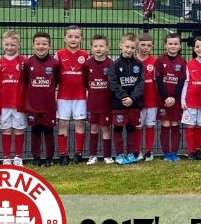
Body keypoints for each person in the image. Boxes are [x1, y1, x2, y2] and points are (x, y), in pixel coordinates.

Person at [22, 32, 61, 167]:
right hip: (32, 105)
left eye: (44, 44)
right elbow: (26, 81)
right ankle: (36, 157)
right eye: (38, 44)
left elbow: (56, 81)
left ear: (50, 46)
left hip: (48, 105)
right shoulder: (28, 63)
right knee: (35, 131)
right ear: (33, 45)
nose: (41, 47)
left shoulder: (55, 63)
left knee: (49, 131)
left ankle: (49, 157)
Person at [109, 33, 144, 165]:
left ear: (136, 49)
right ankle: (119, 155)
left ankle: (130, 153)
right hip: (119, 103)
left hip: (134, 103)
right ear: (120, 46)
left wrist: (132, 98)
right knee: (118, 128)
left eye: (132, 48)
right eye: (127, 47)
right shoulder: (115, 65)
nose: (129, 50)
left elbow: (141, 84)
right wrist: (124, 97)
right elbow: (113, 83)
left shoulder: (139, 65)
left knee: (131, 128)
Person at [0, 30, 26, 166]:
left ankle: (18, 157)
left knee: (18, 129)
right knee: (6, 130)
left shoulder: (24, 61)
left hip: (19, 103)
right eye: (6, 44)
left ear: (19, 44)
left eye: (13, 45)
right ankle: (6, 157)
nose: (9, 48)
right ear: (2, 44)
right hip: (3, 104)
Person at [56, 25, 87, 165]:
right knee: (62, 123)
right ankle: (63, 154)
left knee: (80, 123)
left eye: (76, 37)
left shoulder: (85, 55)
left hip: (80, 96)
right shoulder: (59, 54)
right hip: (63, 96)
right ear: (64, 38)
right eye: (70, 36)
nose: (73, 39)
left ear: (81, 38)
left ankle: (78, 153)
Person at [156, 33, 187, 162]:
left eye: (175, 44)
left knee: (175, 124)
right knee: (165, 124)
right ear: (165, 45)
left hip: (176, 99)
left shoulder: (182, 61)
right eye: (170, 44)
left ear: (180, 46)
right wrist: (166, 97)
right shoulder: (160, 60)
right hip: (163, 99)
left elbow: (181, 81)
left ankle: (174, 152)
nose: (173, 46)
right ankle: (166, 152)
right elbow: (158, 80)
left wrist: (174, 97)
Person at [84, 35, 114, 165]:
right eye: (95, 46)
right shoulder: (87, 64)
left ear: (107, 48)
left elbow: (113, 84)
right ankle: (92, 155)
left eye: (101, 46)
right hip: (93, 104)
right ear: (91, 48)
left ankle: (107, 156)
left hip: (106, 104)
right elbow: (85, 82)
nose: (98, 48)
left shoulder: (111, 64)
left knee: (106, 129)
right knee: (94, 128)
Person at [182, 37, 201, 160]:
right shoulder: (189, 64)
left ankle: (198, 149)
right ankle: (191, 151)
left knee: (200, 126)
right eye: (197, 47)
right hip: (190, 101)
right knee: (190, 125)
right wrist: (183, 100)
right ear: (194, 49)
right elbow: (185, 83)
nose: (200, 49)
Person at [135, 33, 158, 161]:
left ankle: (149, 151)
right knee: (138, 126)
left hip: (151, 100)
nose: (145, 47)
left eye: (148, 45)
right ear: (137, 45)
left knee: (150, 125)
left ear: (152, 47)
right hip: (137, 101)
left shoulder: (155, 62)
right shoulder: (132, 60)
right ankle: (136, 151)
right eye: (143, 45)